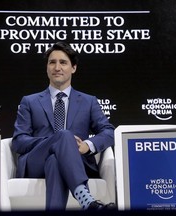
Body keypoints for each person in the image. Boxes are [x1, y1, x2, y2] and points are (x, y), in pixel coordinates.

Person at [11, 41, 116, 211]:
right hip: (36, 162)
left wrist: (87, 146)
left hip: (75, 162)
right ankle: (86, 199)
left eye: (63, 62)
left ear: (73, 68)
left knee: (55, 161)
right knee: (64, 135)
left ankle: (86, 201)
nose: (57, 67)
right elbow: (19, 141)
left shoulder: (89, 101)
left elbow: (108, 131)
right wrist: (56, 141)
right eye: (52, 62)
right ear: (47, 68)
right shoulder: (29, 101)